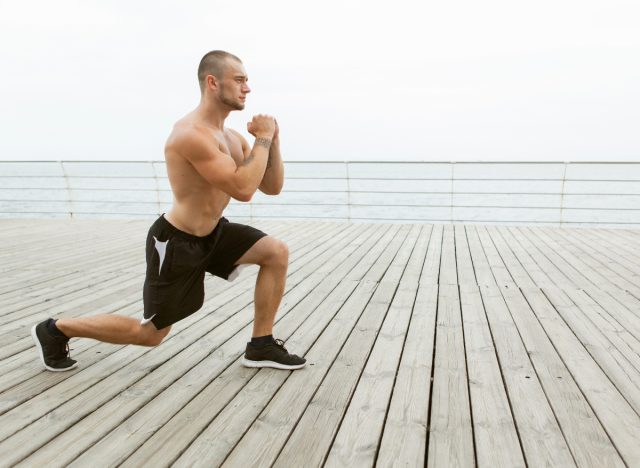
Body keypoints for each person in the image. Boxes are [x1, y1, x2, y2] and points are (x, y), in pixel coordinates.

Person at [31, 50, 306, 372]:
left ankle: (261, 345)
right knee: (149, 334)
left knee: (275, 252)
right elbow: (243, 189)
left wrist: (272, 141)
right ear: (213, 82)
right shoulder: (190, 135)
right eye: (240, 80)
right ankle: (55, 329)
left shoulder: (231, 138)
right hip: (176, 242)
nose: (248, 88)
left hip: (213, 232)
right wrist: (261, 138)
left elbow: (270, 187)